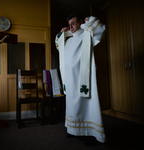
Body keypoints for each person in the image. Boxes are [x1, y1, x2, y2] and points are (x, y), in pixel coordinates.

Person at [55, 13, 106, 145]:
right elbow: (57, 45)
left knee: (86, 105)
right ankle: (73, 130)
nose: (70, 26)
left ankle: (90, 134)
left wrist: (88, 21)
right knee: (72, 106)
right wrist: (62, 34)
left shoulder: (87, 34)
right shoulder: (69, 39)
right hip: (71, 80)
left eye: (73, 23)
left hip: (84, 79)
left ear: (80, 22)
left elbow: (100, 29)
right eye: (69, 24)